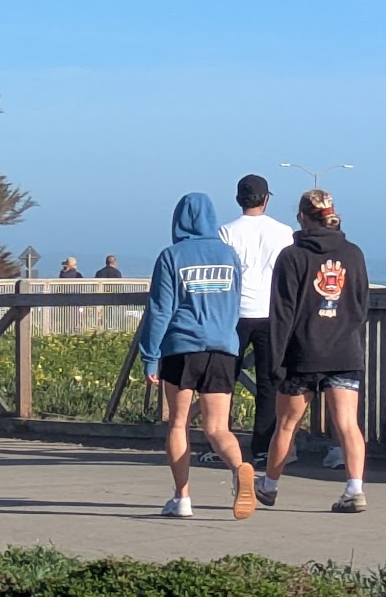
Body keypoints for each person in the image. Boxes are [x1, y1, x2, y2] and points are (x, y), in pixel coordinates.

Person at [136, 193, 256, 520]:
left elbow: (161, 309)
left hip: (182, 347)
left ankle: (182, 498)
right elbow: (235, 302)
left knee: (178, 423)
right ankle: (239, 468)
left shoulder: (172, 256)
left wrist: (150, 355)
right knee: (217, 427)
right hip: (222, 347)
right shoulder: (229, 255)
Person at [259, 188, 371, 513]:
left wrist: (276, 360)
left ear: (301, 217)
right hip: (344, 350)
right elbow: (361, 305)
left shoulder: (292, 256)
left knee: (286, 424)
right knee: (347, 423)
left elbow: (283, 313)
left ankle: (269, 485)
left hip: (302, 352)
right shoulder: (353, 254)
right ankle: (354, 489)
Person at [218, 173, 293, 468]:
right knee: (269, 383)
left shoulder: (226, 232)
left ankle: (222, 444)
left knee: (225, 381)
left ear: (239, 199)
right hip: (271, 313)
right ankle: (263, 448)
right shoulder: (284, 232)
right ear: (266, 199)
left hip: (234, 314)